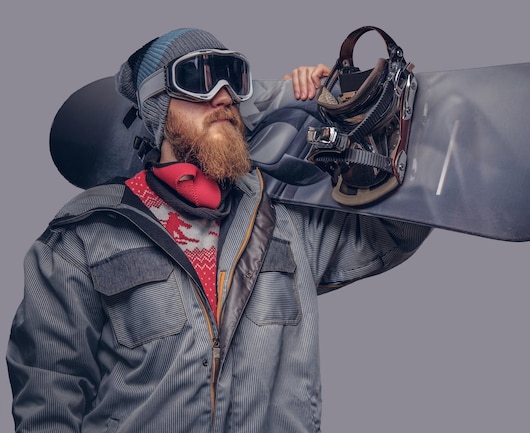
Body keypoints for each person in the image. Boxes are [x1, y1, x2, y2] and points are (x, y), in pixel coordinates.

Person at [6, 28, 431, 433]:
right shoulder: (85, 237)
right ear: (158, 106)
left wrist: (350, 119)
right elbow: (48, 392)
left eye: (233, 81)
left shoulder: (285, 220)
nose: (223, 97)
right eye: (198, 80)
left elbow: (395, 231)